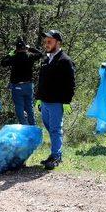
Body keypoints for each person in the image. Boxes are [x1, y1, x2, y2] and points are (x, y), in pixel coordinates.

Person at [35, 30, 75, 170]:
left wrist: (67, 101)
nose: (46, 44)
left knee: (56, 130)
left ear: (58, 42)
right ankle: (56, 154)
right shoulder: (46, 59)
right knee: (50, 128)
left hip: (57, 102)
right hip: (45, 102)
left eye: (49, 41)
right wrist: (38, 98)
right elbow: (41, 80)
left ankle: (55, 156)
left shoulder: (65, 60)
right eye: (45, 41)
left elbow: (70, 83)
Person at [0, 38, 43, 125]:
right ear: (24, 48)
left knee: (19, 107)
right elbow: (40, 54)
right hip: (28, 86)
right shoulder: (29, 57)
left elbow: (3, 63)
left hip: (17, 87)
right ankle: (32, 127)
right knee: (29, 107)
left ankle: (24, 126)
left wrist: (9, 54)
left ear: (16, 49)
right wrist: (30, 48)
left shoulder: (13, 58)